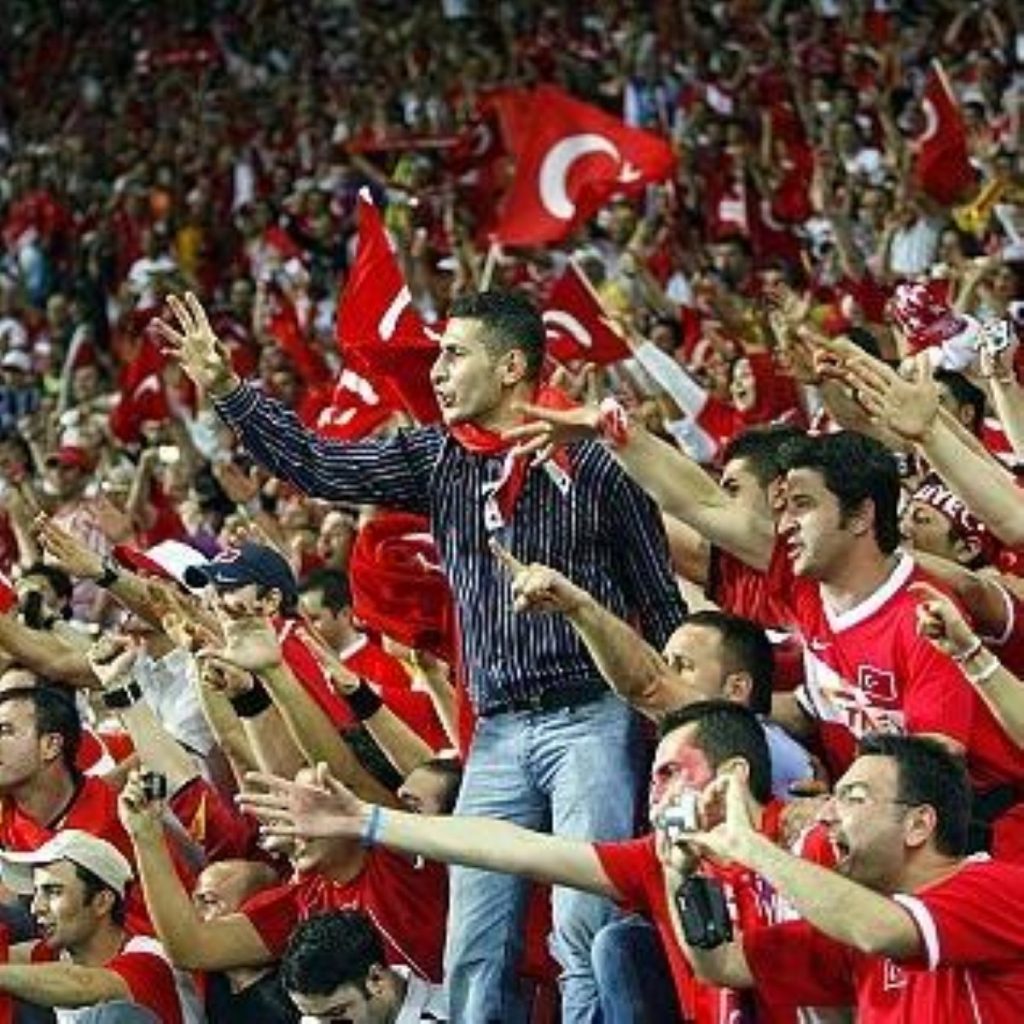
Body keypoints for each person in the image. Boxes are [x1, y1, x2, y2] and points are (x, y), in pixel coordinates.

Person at [157, 289, 684, 1022]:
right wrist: (225, 388)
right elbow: (317, 466)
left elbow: (660, 601)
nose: (436, 371)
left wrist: (681, 720)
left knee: (581, 923)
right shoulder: (436, 459)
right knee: (473, 937)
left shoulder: (594, 463)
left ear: (510, 367)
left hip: (592, 716)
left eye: (453, 354)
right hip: (496, 732)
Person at [240, 701, 829, 1023]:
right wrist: (365, 822)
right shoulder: (657, 859)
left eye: (671, 773)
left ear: (734, 774)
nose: (656, 794)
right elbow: (515, 848)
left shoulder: (814, 842)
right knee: (616, 946)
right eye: (652, 779)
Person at [672, 735, 1024, 1023]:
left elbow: (879, 932)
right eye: (832, 798)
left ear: (918, 825)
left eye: (853, 798)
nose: (824, 815)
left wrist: (752, 848)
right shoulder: (856, 927)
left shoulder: (999, 888)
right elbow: (722, 963)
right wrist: (680, 870)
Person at [491, 540, 814, 798]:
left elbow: (649, 687)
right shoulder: (678, 754)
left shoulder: (771, 748)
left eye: (683, 666)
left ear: (737, 689)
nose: (666, 674)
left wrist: (578, 607)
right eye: (664, 662)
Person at [0, 830, 195, 1023]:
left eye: (54, 891)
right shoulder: (53, 953)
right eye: (36, 893)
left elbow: (84, 985)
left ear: (102, 902)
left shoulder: (149, 958)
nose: (36, 908)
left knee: (112, 1016)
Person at [281, 910, 448, 1023]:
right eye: (310, 1015)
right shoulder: (319, 1009)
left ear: (377, 980)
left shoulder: (459, 1015)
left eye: (337, 1013)